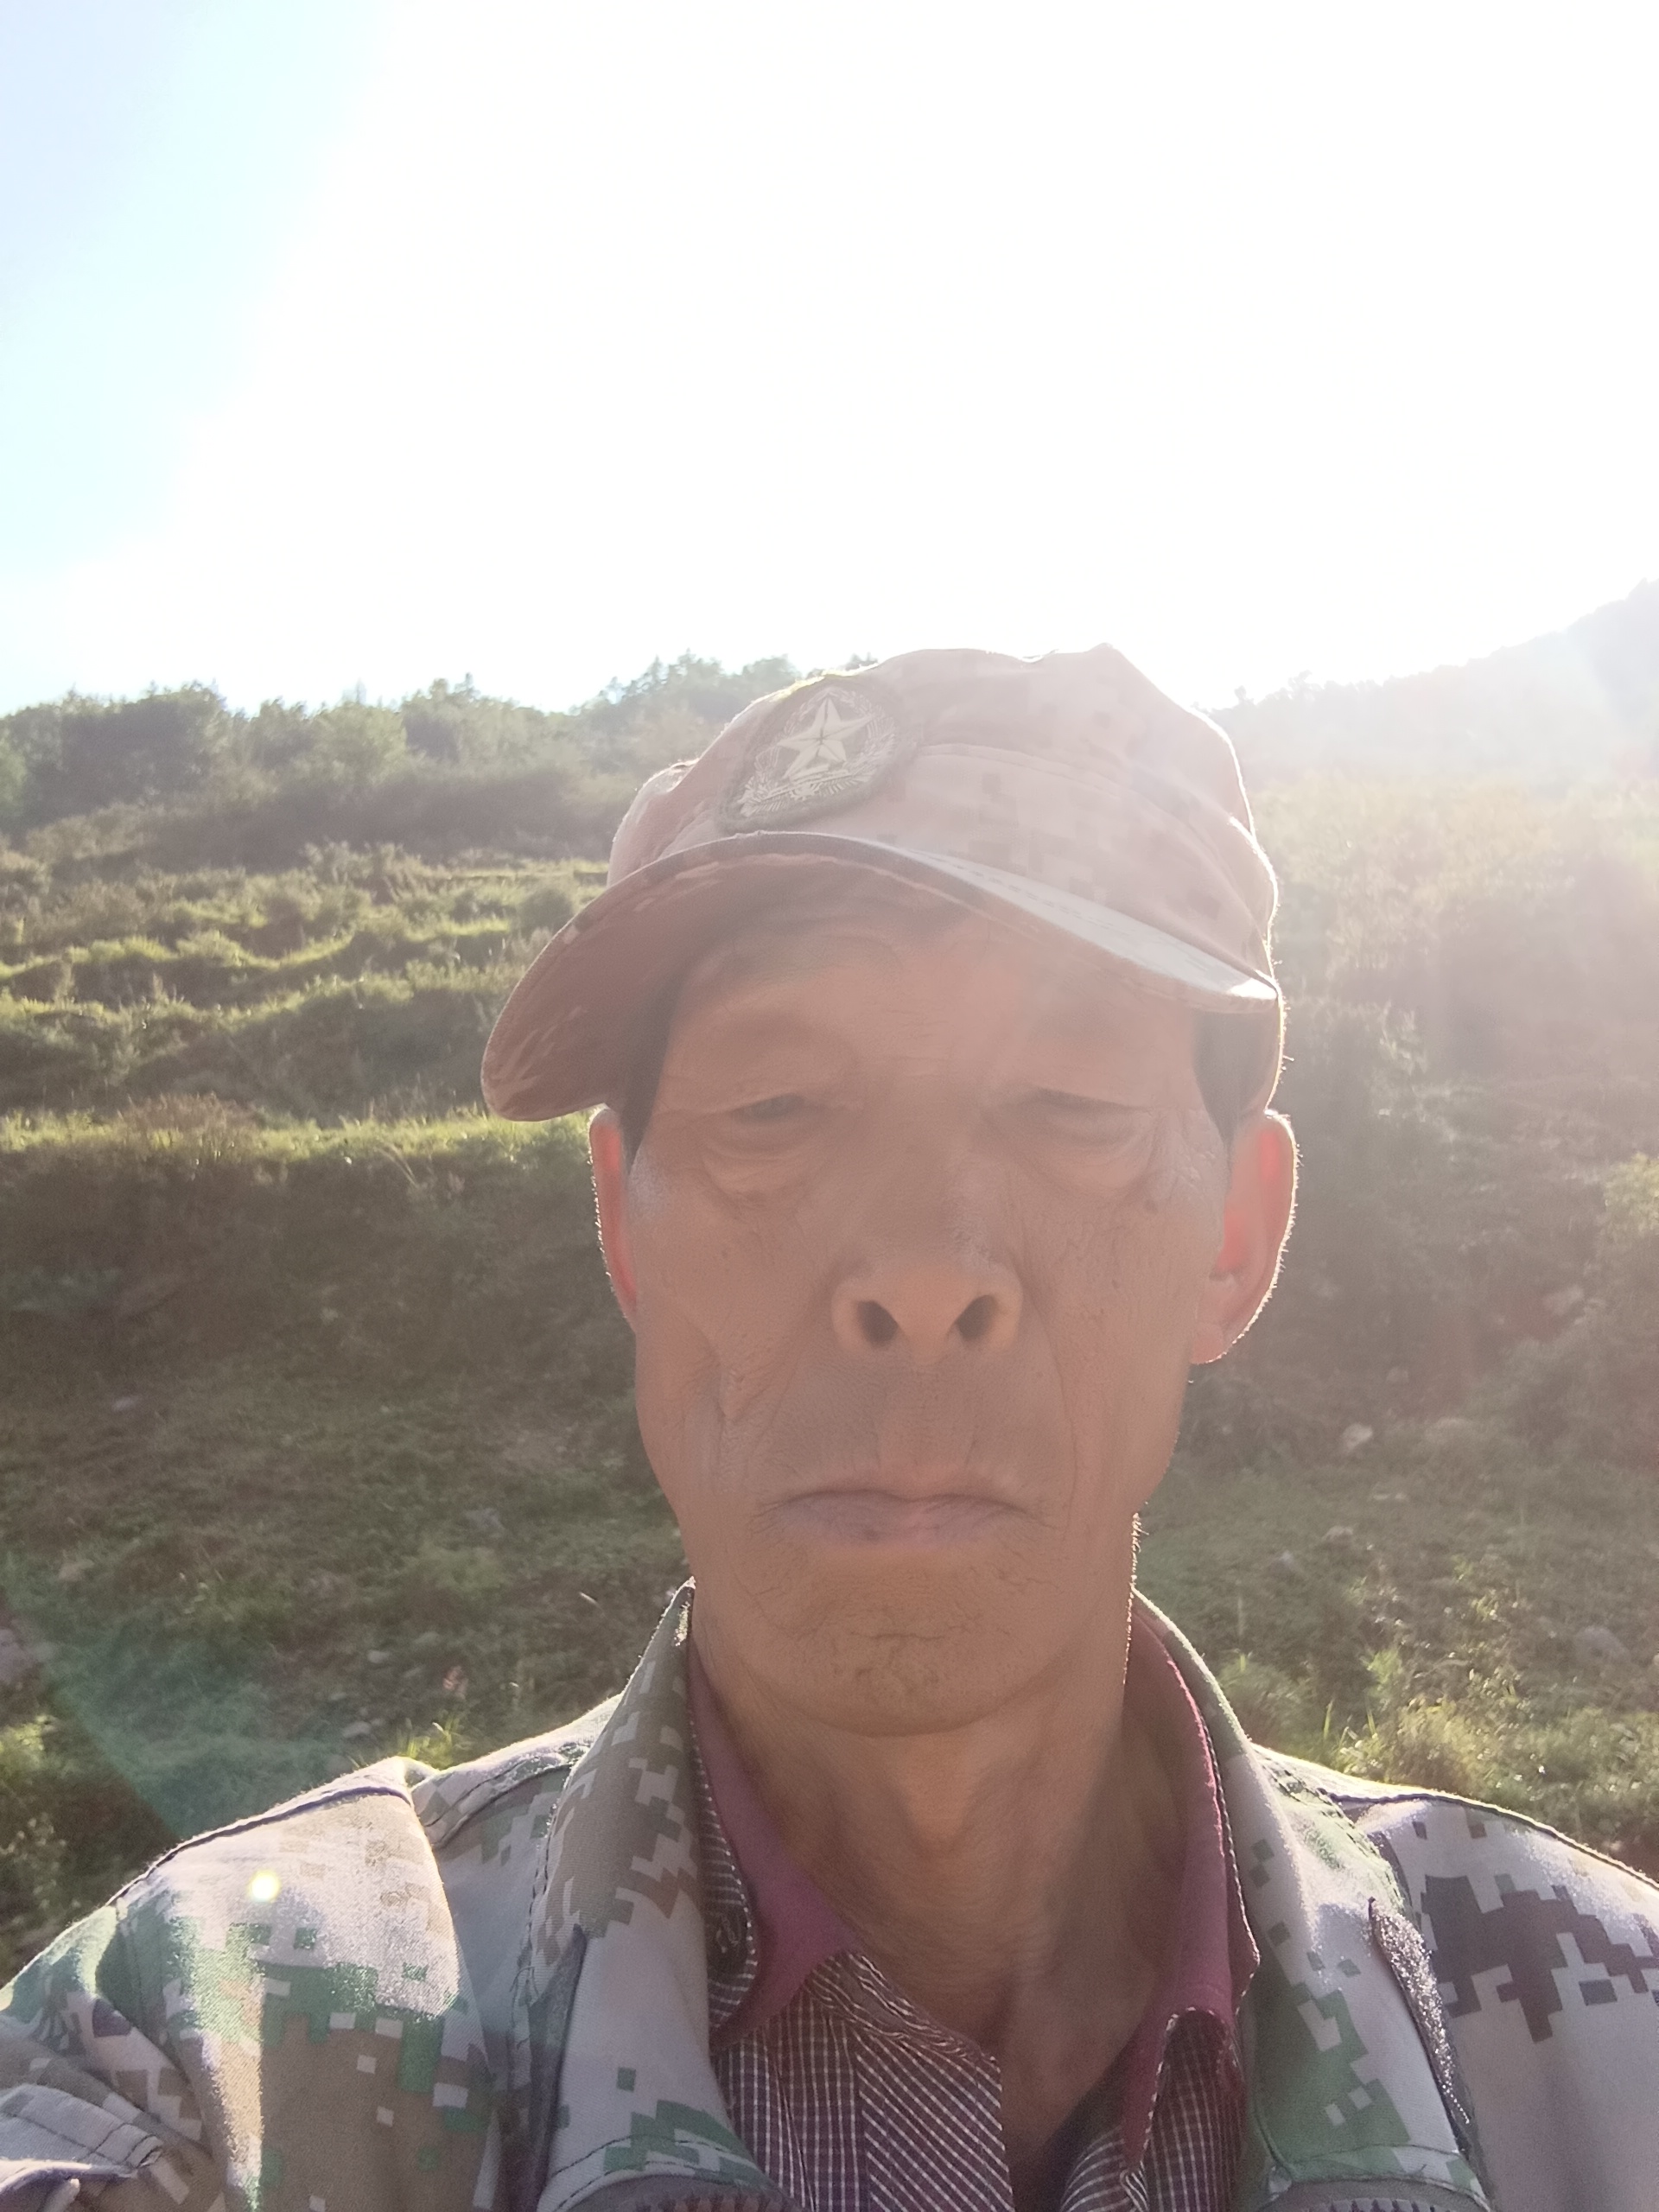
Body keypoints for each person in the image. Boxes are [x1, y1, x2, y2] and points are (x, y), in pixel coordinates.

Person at [1, 649, 1655, 2212]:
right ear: (623, 1229)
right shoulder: (216, 2048)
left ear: (1234, 1234)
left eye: (1071, 1108)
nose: (923, 1271)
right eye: (774, 1110)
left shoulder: (1603, 2041)